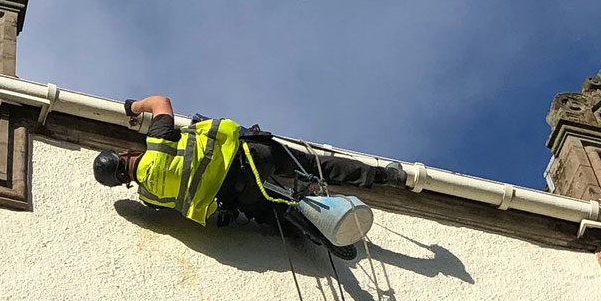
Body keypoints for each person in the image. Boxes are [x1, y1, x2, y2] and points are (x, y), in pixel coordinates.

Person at [92, 96, 400, 230]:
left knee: (278, 215)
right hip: (251, 157)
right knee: (316, 164)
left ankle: (314, 227)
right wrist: (132, 107)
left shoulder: (149, 199)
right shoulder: (156, 144)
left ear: (124, 182)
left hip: (241, 195)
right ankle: (385, 177)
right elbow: (161, 101)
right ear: (123, 156)